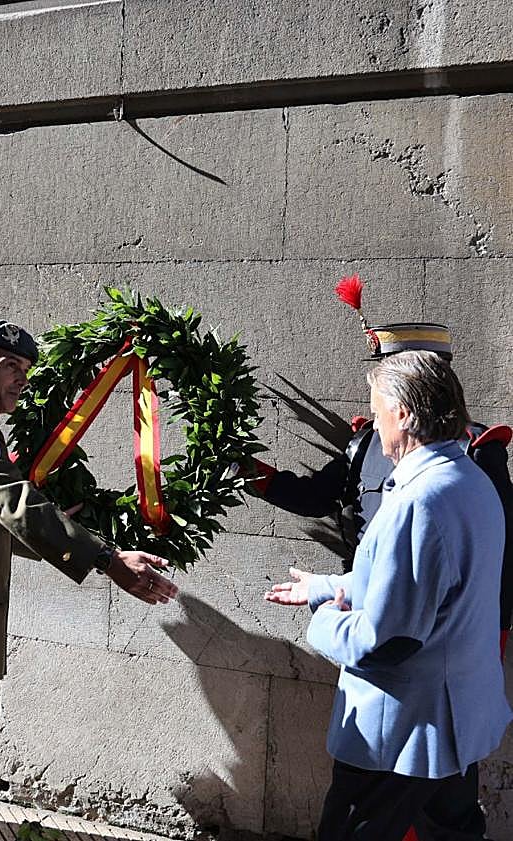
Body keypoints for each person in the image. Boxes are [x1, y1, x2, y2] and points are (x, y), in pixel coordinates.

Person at [0, 318, 179, 841]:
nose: (22, 380)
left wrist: (53, 530)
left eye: (26, 369)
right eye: (12, 368)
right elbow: (15, 504)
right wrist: (108, 560)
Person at [265, 350, 512, 841]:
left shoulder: (418, 501)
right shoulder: (469, 481)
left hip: (400, 733)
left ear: (402, 412)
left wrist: (324, 621)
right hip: (452, 726)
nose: (374, 427)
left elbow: (387, 639)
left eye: (378, 412)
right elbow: (427, 584)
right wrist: (324, 586)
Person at [253, 275, 513, 653]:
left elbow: (499, 556)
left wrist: (495, 634)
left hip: (432, 638)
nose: (375, 411)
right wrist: (245, 470)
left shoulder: (475, 454)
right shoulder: (366, 441)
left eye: (383, 393)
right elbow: (317, 498)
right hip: (367, 604)